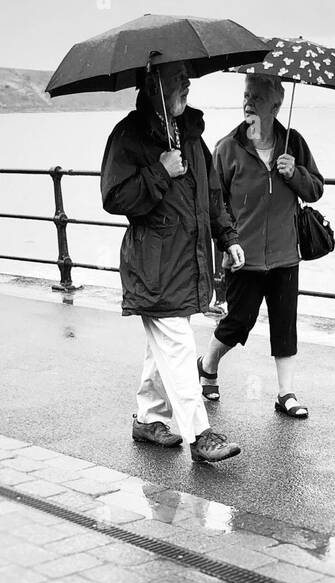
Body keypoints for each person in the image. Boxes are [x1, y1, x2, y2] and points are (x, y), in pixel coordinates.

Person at [101, 60, 246, 465]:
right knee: (178, 344)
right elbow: (114, 199)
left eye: (187, 76)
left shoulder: (191, 132)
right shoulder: (129, 136)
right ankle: (199, 434)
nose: (187, 83)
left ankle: (148, 417)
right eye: (177, 77)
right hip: (154, 264)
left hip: (187, 259)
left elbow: (212, 193)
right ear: (152, 83)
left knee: (162, 344)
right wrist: (159, 172)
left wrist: (228, 236)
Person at [198, 75, 325, 420]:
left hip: (285, 254)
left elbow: (315, 189)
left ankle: (286, 394)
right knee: (239, 322)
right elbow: (215, 203)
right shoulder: (228, 148)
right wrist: (226, 244)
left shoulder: (293, 144)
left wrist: (295, 173)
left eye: (257, 96)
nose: (248, 102)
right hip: (243, 256)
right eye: (246, 95)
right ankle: (208, 365)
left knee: (285, 324)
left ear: (276, 104)